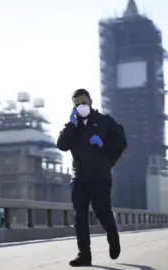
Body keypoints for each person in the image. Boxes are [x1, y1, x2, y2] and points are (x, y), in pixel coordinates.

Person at [57, 88, 127, 267]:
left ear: (90, 101)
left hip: (100, 176)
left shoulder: (104, 121)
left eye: (83, 103)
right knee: (80, 216)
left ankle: (112, 235)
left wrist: (104, 144)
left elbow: (121, 141)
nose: (80, 106)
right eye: (76, 104)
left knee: (102, 212)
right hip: (79, 178)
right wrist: (71, 125)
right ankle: (84, 255)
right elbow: (62, 145)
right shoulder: (73, 126)